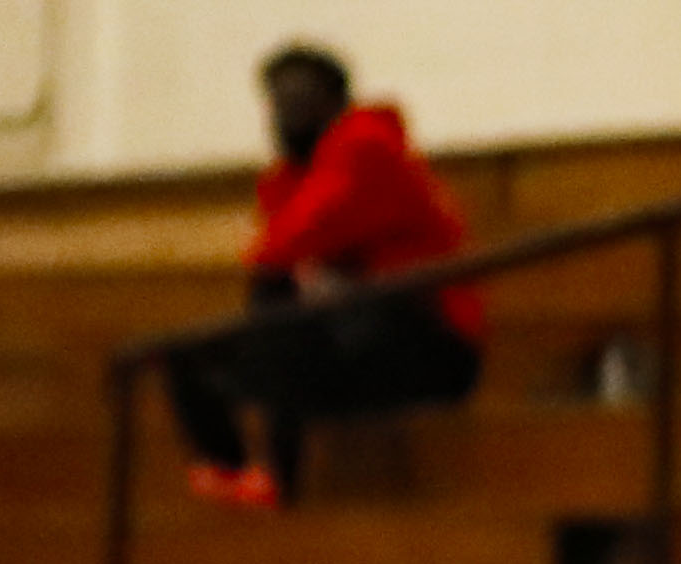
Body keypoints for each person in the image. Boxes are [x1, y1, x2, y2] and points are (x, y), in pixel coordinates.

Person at [165, 45, 484, 508]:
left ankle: (280, 482)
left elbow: (283, 245)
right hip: (355, 336)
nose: (285, 115)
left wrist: (290, 250)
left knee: (281, 312)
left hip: (430, 345)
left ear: (335, 102)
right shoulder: (295, 173)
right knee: (190, 355)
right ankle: (232, 469)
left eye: (300, 100)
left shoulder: (367, 146)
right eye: (277, 102)